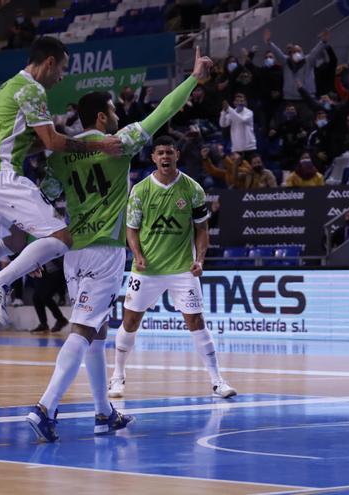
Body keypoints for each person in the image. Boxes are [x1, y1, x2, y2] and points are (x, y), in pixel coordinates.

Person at [25, 48, 213, 443]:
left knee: (97, 330)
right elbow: (163, 111)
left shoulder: (63, 155)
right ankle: (46, 407)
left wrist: (34, 246)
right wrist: (194, 79)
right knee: (81, 329)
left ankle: (102, 413)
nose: (118, 117)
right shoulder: (118, 141)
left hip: (73, 251)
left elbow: (41, 202)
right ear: (101, 117)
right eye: (113, 111)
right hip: (105, 252)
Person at [0, 36, 123, 330]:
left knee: (14, 241)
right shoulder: (32, 89)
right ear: (49, 62)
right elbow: (52, 141)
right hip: (1, 176)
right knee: (62, 237)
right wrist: (100, 146)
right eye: (62, 69)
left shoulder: (7, 87)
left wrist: (30, 258)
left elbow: (28, 143)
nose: (61, 77)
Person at [110, 136, 237, 400]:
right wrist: (137, 255)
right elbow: (131, 230)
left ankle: (217, 381)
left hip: (182, 269)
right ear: (153, 158)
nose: (165, 157)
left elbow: (202, 229)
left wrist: (200, 260)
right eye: (160, 153)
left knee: (196, 321)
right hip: (147, 269)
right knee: (130, 321)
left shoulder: (193, 189)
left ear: (176, 155)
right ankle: (117, 377)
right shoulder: (141, 190)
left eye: (169, 152)